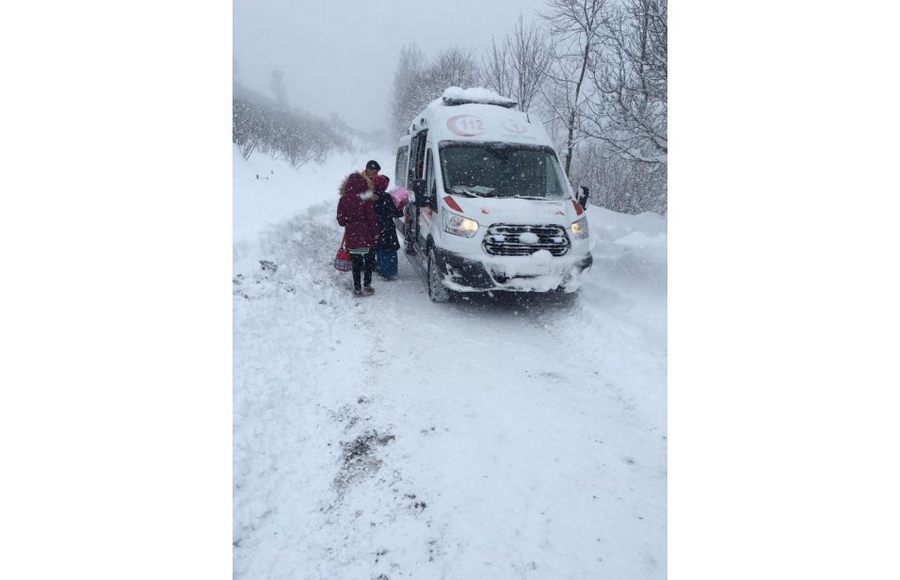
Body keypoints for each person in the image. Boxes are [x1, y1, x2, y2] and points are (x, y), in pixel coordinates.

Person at [336, 172, 378, 296]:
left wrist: (349, 221)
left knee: (356, 263)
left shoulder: (343, 199)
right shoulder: (366, 199)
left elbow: (341, 220)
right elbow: (372, 218)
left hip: (352, 236)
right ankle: (367, 285)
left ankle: (357, 288)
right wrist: (375, 232)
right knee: (368, 261)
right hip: (367, 236)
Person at [372, 175, 403, 280]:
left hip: (375, 227)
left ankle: (382, 270)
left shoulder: (369, 196)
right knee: (389, 249)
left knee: (379, 248)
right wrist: (400, 206)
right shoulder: (386, 197)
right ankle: (389, 273)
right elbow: (395, 213)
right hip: (387, 227)